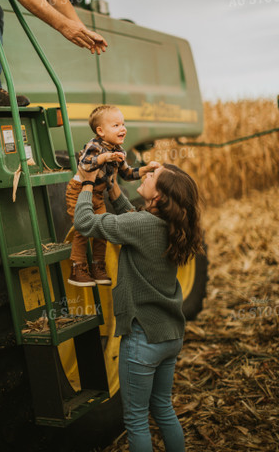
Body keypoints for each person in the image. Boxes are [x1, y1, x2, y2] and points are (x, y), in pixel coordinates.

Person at [73, 162, 204, 452]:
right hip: (169, 336)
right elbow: (131, 219)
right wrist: (113, 187)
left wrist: (84, 183)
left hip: (143, 341)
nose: (146, 174)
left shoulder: (142, 225)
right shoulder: (169, 226)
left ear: (159, 198)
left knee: (134, 419)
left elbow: (85, 223)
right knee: (163, 409)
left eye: (153, 176)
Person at [66, 104, 159, 287]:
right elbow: (85, 164)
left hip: (98, 195)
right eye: (116, 125)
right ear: (100, 131)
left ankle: (98, 266)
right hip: (79, 191)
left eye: (123, 124)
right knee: (82, 230)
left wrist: (146, 169)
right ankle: (77, 268)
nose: (122, 128)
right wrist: (105, 158)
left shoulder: (119, 151)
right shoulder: (94, 147)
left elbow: (127, 174)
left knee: (101, 230)